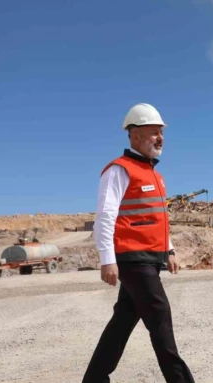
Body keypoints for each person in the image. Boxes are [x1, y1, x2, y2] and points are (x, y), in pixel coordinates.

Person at [82, 103, 195, 383]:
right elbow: (105, 217)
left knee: (122, 323)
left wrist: (168, 249)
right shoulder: (119, 170)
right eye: (153, 132)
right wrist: (107, 259)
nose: (160, 138)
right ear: (134, 136)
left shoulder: (156, 176)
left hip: (150, 258)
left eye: (161, 133)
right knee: (160, 319)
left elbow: (158, 218)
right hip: (132, 259)